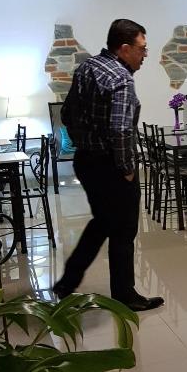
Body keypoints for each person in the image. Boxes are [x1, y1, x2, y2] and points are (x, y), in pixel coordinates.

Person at [53, 18, 164, 312]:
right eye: (142, 48)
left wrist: (85, 137)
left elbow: (66, 114)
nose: (145, 54)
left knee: (103, 221)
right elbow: (121, 129)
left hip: (86, 161)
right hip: (112, 166)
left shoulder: (87, 67)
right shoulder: (121, 79)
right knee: (123, 231)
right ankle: (125, 295)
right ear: (125, 48)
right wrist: (126, 168)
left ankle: (67, 282)